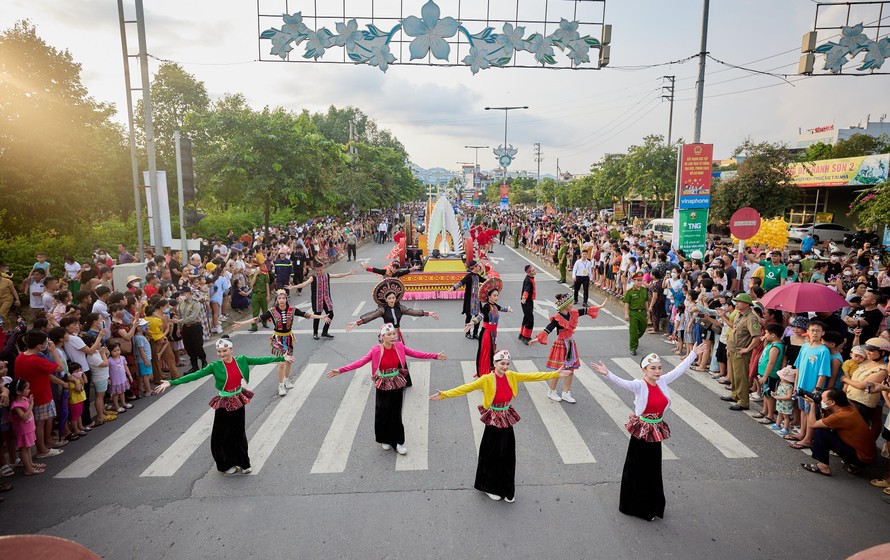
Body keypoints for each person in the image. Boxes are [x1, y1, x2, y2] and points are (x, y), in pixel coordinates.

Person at [430, 349, 569, 502]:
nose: (505, 366)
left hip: (506, 417)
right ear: (494, 364)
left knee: (507, 454)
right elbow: (466, 388)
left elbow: (532, 376)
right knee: (492, 454)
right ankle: (488, 486)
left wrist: (555, 374)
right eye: (502, 363)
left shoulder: (511, 376)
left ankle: (506, 488)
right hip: (493, 419)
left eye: (507, 364)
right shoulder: (486, 379)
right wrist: (444, 394)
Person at [590, 342, 707, 521]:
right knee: (637, 468)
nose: (657, 371)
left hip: (656, 431)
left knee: (653, 469)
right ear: (645, 370)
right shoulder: (639, 385)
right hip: (642, 432)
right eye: (653, 368)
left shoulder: (663, 382)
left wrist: (693, 354)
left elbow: (679, 370)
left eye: (659, 368)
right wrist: (608, 374)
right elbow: (623, 383)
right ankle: (635, 506)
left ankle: (652, 504)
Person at [154, 337, 292, 474]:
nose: (222, 354)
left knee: (239, 433)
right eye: (219, 351)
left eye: (224, 350)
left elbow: (261, 360)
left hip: (238, 399)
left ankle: (243, 463)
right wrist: (171, 383)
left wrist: (281, 359)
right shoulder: (215, 366)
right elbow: (195, 376)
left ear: (231, 349)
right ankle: (225, 464)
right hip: (224, 402)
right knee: (222, 435)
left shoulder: (241, 360)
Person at [326, 323, 445, 455]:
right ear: (382, 337)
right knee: (382, 412)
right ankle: (384, 439)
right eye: (389, 334)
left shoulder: (399, 346)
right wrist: (341, 370)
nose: (393, 336)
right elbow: (360, 362)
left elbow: (416, 353)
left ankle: (398, 442)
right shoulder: (376, 350)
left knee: (395, 413)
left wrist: (434, 356)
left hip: (396, 382)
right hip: (382, 383)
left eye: (393, 333)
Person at [236, 289, 330, 396]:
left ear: (286, 299)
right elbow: (258, 319)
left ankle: (286, 379)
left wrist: (321, 316)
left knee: (289, 361)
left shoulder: (292, 310)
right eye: (279, 298)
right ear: (277, 300)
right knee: (281, 363)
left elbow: (306, 315)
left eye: (283, 298)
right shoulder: (272, 311)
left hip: (289, 338)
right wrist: (243, 323)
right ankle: (280, 385)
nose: (281, 300)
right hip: (278, 339)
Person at [529, 293, 603, 403]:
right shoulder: (557, 318)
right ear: (564, 305)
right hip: (560, 345)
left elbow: (584, 311)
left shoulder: (572, 313)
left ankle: (566, 393)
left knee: (570, 370)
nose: (572, 304)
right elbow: (548, 329)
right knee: (558, 370)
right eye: (570, 303)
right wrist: (538, 338)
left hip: (570, 343)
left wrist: (597, 307)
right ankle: (551, 391)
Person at [345, 277, 438, 358]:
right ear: (386, 299)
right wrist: (357, 322)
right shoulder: (382, 310)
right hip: (387, 335)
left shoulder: (400, 308)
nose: (392, 300)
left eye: (393, 298)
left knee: (399, 354)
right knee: (388, 355)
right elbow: (371, 316)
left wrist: (428, 313)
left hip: (397, 334)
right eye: (389, 298)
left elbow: (413, 312)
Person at [800, 388, 876, 476]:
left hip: (861, 458)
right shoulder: (850, 408)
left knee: (820, 432)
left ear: (832, 402)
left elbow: (812, 424)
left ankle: (824, 467)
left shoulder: (841, 416)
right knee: (825, 429)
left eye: (822, 398)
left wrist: (812, 404)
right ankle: (854, 465)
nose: (820, 399)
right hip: (867, 455)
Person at [784, 320, 832, 450]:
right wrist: (796, 384)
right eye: (812, 330)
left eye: (818, 330)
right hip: (801, 385)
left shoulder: (824, 351)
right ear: (808, 332)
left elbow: (823, 373)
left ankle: (808, 439)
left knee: (810, 412)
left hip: (812, 388)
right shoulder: (805, 346)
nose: (815, 333)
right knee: (803, 411)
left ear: (822, 333)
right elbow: (798, 366)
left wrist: (817, 389)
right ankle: (802, 433)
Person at [294, 260, 356, 340]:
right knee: (317, 316)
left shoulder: (327, 275)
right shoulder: (313, 278)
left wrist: (348, 273)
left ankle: (324, 331)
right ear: (316, 270)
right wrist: (294, 287)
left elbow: (338, 275)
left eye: (321, 270)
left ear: (323, 269)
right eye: (318, 270)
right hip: (317, 301)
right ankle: (315, 333)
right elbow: (304, 284)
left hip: (326, 299)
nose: (319, 272)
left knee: (331, 314)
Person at [720, 293, 761, 412]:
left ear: (747, 304)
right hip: (734, 349)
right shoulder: (740, 315)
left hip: (741, 352)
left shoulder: (751, 318)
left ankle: (743, 401)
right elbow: (734, 328)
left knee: (741, 376)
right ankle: (735, 394)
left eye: (739, 301)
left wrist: (748, 349)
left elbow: (757, 336)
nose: (736, 303)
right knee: (734, 374)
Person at [467, 279, 511, 378]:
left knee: (492, 353)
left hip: (494, 333)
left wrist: (508, 309)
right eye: (494, 295)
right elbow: (480, 316)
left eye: (497, 295)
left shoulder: (494, 305)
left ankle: (489, 372)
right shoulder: (486, 307)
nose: (496, 297)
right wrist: (472, 323)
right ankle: (483, 374)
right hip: (486, 333)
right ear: (489, 296)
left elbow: (501, 308)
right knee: (485, 354)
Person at [9, 379, 44, 475]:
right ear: (18, 392)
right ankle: (28, 468)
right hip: (23, 430)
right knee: (24, 448)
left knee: (28, 447)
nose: (29, 390)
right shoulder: (16, 405)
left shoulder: (24, 399)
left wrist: (30, 402)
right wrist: (31, 405)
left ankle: (31, 464)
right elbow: (24, 417)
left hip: (29, 428)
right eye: (27, 389)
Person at [452, 260, 487, 340]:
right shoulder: (469, 276)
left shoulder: (478, 276)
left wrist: (492, 280)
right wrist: (453, 287)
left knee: (478, 317)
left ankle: (475, 333)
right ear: (474, 267)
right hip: (469, 301)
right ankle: (467, 333)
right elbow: (461, 282)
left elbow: (485, 281)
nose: (479, 267)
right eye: (478, 266)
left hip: (477, 300)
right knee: (468, 316)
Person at [176, 286, 208, 374]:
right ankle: (194, 366)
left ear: (188, 293)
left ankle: (204, 362)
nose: (181, 295)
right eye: (180, 293)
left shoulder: (195, 303)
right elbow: (179, 316)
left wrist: (178, 321)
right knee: (189, 348)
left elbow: (193, 317)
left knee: (198, 346)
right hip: (186, 328)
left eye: (183, 293)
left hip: (195, 326)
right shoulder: (181, 303)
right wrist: (178, 328)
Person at [623, 272, 649, 356]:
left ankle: (634, 339)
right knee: (633, 330)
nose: (640, 282)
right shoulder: (630, 291)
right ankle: (633, 348)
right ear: (634, 281)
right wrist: (626, 314)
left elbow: (646, 301)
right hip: (633, 313)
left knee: (643, 328)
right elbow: (626, 303)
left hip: (642, 312)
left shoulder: (644, 290)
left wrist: (648, 311)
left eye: (641, 280)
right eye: (638, 280)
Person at [518, 265, 536, 343]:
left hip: (529, 301)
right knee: (530, 319)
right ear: (529, 272)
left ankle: (522, 334)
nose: (535, 271)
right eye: (533, 270)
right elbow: (526, 290)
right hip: (526, 302)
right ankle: (526, 336)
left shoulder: (529, 278)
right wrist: (524, 298)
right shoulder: (528, 281)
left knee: (526, 317)